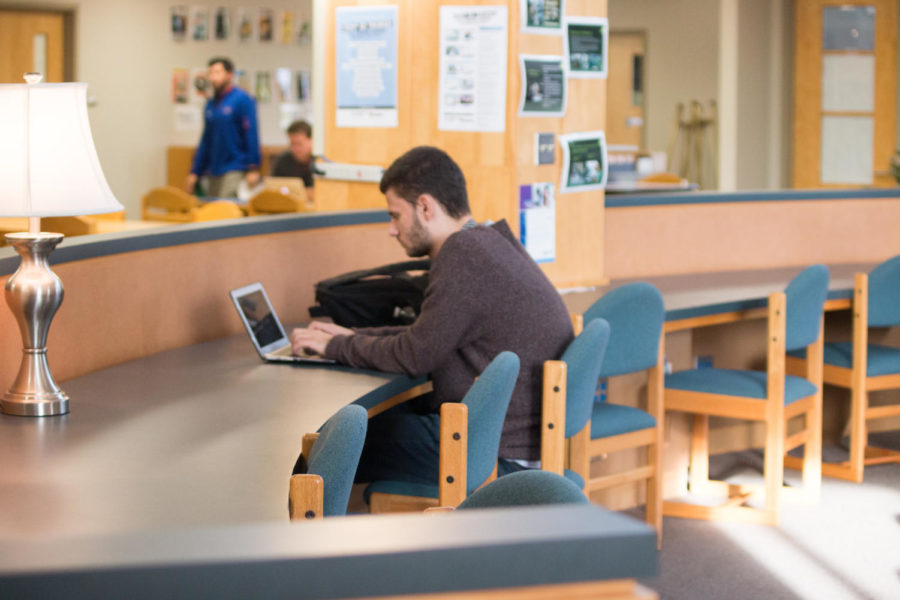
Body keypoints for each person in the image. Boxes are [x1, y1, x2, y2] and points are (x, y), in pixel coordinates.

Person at [290, 146, 573, 486]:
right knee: (366, 424)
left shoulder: (464, 255)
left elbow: (414, 354)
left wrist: (336, 346)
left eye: (395, 215)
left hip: (491, 451)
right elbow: (424, 334)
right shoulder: (488, 241)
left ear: (424, 207)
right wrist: (346, 335)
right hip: (507, 436)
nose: (392, 229)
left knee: (326, 445)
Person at [185, 57, 261, 198]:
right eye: (211, 73)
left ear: (229, 75)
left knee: (226, 209)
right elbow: (205, 140)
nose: (213, 78)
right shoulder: (210, 104)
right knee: (211, 212)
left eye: (217, 73)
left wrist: (253, 167)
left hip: (235, 167)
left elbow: (251, 134)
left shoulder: (242, 100)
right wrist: (195, 171)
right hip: (213, 169)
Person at [271, 120, 315, 203]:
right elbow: (273, 187)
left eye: (299, 144)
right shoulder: (283, 160)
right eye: (292, 144)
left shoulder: (320, 162)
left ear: (311, 140)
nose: (295, 149)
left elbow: (318, 192)